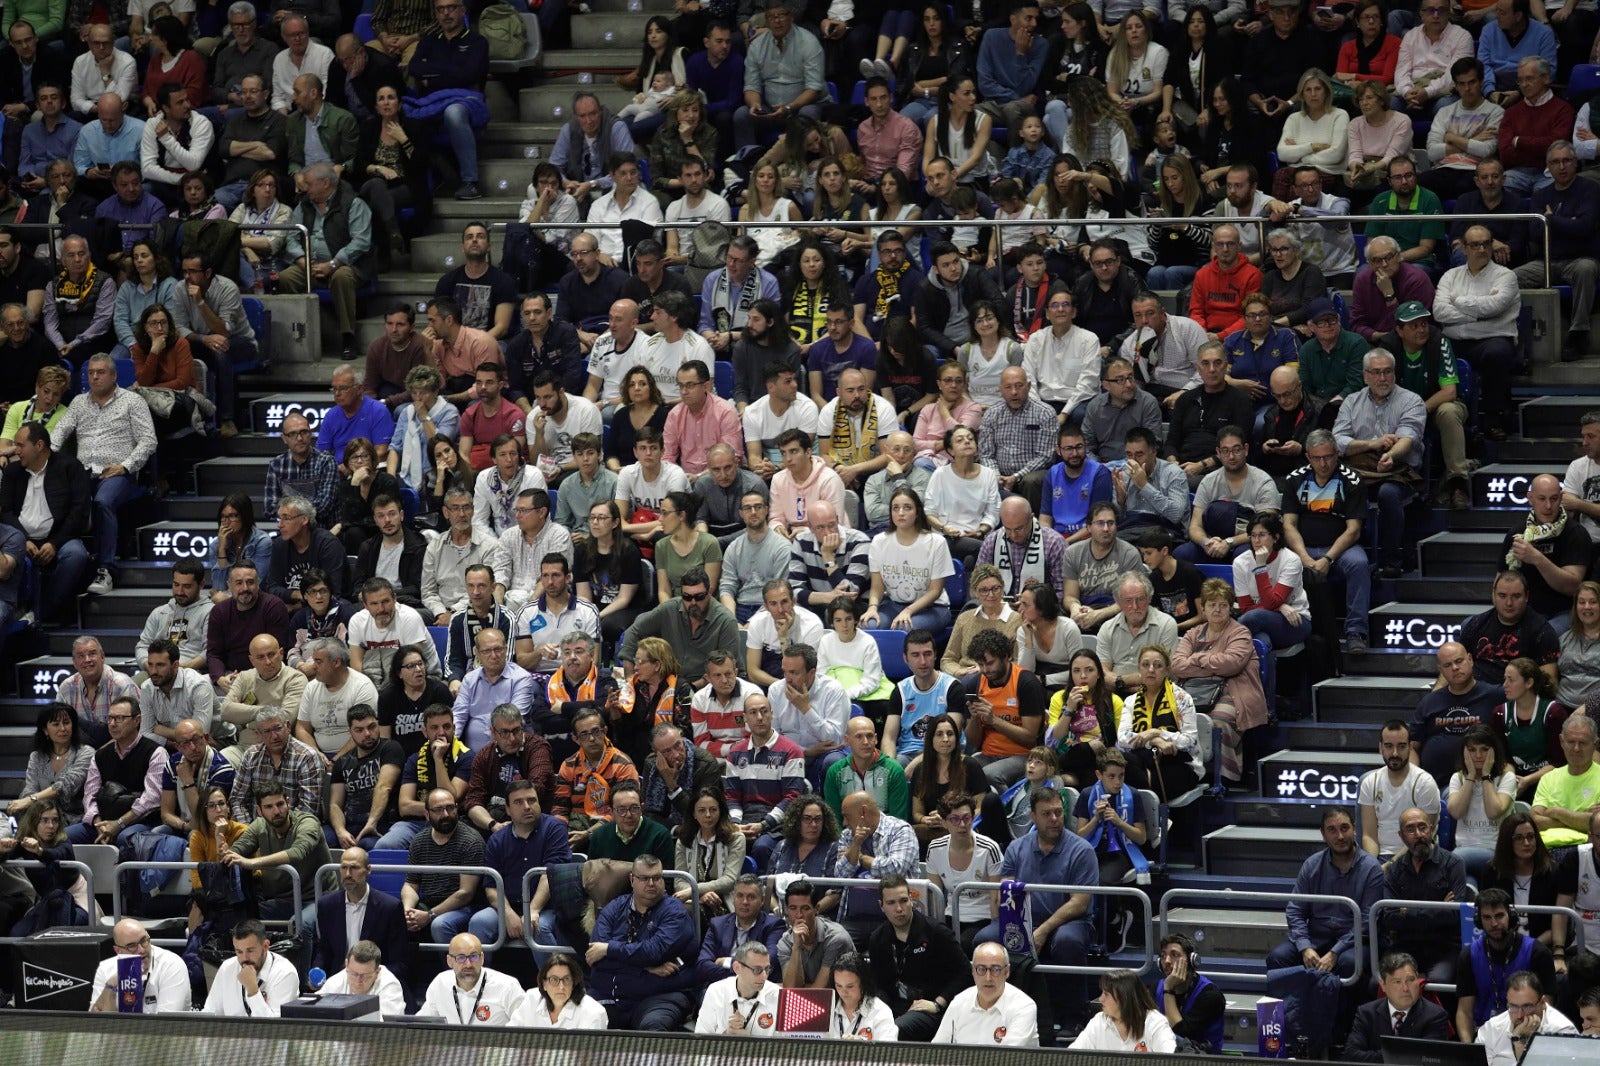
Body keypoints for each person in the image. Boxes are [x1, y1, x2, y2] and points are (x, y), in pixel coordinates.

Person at [1332, 349, 1425, 579]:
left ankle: (1391, 559)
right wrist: (1372, 444)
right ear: (1365, 376)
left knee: (1388, 494)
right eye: (1376, 373)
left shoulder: (1411, 400)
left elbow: (1408, 437)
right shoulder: (1351, 402)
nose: (1382, 378)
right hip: (1359, 469)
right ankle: (1336, 554)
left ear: (1394, 374)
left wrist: (1391, 455)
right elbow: (1338, 441)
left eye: (1387, 372)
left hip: (1398, 470)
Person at [587, 853, 698, 1029]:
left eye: (657, 877)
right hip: (609, 991)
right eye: (644, 878)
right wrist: (645, 967)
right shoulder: (615, 907)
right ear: (632, 880)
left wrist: (609, 949)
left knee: (653, 1028)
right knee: (584, 1022)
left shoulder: (675, 911)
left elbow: (654, 952)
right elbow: (595, 956)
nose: (652, 883)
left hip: (659, 996)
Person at [0, 420, 92, 625]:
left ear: (39, 446)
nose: (16, 450)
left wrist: (55, 543)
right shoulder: (12, 472)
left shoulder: (69, 467)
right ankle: (17, 612)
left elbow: (79, 511)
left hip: (59, 537)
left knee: (76, 554)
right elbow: (5, 512)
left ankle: (43, 611)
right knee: (16, 558)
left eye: (21, 445)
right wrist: (21, 538)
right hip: (20, 538)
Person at [281, 162, 373, 359]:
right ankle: (302, 336)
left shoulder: (353, 203)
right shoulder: (304, 204)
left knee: (341, 277)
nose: (303, 187)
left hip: (346, 265)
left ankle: (348, 337)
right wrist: (301, 260)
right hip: (310, 265)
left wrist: (333, 263)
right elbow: (291, 237)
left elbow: (361, 241)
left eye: (308, 183)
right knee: (286, 277)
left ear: (324, 183)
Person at [1380, 807, 1468, 985]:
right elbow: (1389, 917)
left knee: (1439, 981)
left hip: (1444, 946)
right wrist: (1438, 907)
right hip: (1405, 946)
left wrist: (1407, 912)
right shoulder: (1395, 870)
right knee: (1378, 983)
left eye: (1422, 827)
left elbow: (1454, 915)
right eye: (1410, 830)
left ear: (1432, 828)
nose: (1418, 834)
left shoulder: (1453, 863)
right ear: (1401, 835)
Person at [1457, 889, 1559, 1042]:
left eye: (1499, 916)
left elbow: (1546, 1008)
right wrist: (1469, 1050)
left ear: (1510, 916)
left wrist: (1522, 1038)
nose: (1494, 923)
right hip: (1484, 1035)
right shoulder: (1469, 955)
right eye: (1487, 917)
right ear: (1479, 921)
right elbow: (1465, 1012)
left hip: (1527, 1033)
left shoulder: (1538, 953)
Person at [734, 0, 827, 149]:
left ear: (791, 17)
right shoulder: (757, 46)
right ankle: (748, 163)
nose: (777, 21)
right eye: (772, 17)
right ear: (766, 20)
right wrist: (755, 104)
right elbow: (751, 86)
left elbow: (814, 89)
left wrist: (789, 108)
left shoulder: (809, 42)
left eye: (782, 15)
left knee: (807, 113)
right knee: (742, 114)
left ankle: (805, 166)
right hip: (772, 111)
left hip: (801, 108)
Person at [313, 848, 408, 983]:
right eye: (344, 867)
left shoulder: (390, 907)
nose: (347, 874)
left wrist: (372, 979)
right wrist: (317, 971)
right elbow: (324, 950)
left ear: (368, 870)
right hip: (339, 980)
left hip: (376, 981)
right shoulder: (327, 905)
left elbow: (399, 962)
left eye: (354, 868)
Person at [1460, 570, 1560, 689]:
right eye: (1502, 596)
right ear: (1494, 595)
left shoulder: (1542, 631)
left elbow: (1549, 684)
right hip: (1476, 697)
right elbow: (1455, 665)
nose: (1509, 603)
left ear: (1526, 596)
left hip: (1516, 700)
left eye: (1516, 596)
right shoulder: (1475, 624)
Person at [1342, 951, 1452, 1060]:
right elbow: (1351, 1055)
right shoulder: (1366, 1013)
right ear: (1383, 985)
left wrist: (1381, 1056)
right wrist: (1401, 1055)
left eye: (1410, 980)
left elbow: (1429, 1059)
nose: (1405, 988)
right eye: (1397, 982)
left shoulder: (1436, 1015)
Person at [931, 940, 1039, 1046]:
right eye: (981, 969)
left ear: (1007, 972)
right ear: (973, 971)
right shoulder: (959, 1002)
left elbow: (1007, 1059)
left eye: (995, 969)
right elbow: (937, 1051)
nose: (988, 978)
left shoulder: (1023, 1007)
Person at [1504, 652, 1572, 800]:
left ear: (1529, 683)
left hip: (1549, 779)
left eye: (1510, 680)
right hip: (1514, 778)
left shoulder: (1554, 713)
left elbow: (1560, 762)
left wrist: (1528, 780)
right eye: (1505, 679)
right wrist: (1511, 780)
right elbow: (1502, 759)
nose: (1505, 685)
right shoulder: (1500, 713)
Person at [88, 916, 191, 1013]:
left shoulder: (171, 965)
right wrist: (111, 986)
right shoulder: (106, 968)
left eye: (144, 941)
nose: (141, 950)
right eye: (132, 946)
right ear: (118, 950)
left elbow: (167, 1024)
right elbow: (98, 1023)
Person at [200, 919, 300, 1017]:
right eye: (239, 952)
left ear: (265, 946)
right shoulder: (227, 968)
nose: (245, 958)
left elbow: (273, 1029)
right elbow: (209, 1014)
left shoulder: (285, 973)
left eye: (250, 951)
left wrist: (253, 991)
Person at [1476, 972, 1578, 1066]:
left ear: (1542, 1003)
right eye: (1513, 1006)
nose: (1520, 1015)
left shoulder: (1563, 1031)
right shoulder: (1492, 1028)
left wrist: (1521, 1040)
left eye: (1527, 1006)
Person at [419, 932, 523, 1024]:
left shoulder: (507, 986)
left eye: (474, 957)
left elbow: (525, 1023)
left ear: (482, 958)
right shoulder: (440, 983)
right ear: (449, 961)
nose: (468, 964)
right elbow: (422, 1023)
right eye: (461, 958)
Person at [1530, 714, 1600, 848]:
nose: (1576, 749)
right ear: (1562, 741)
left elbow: (1598, 825)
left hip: (1584, 848)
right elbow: (1535, 821)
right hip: (1546, 851)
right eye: (1571, 742)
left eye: (1583, 743)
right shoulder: (1548, 778)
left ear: (1595, 744)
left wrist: (1558, 813)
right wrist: (1581, 819)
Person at [1070, 968, 1177, 1052]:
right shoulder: (1098, 1021)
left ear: (1123, 998)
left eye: (1106, 994)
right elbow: (1072, 1057)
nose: (1101, 999)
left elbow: (1172, 1060)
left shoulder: (1155, 1022)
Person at [696, 939, 781, 1035]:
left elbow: (788, 1047)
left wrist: (750, 1040)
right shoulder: (716, 991)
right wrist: (726, 1035)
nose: (764, 976)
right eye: (757, 970)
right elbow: (700, 1040)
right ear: (737, 968)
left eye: (767, 969)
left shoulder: (779, 996)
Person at [511, 953, 610, 1029]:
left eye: (566, 979)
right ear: (544, 984)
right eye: (554, 980)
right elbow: (508, 1039)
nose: (561, 987)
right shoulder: (531, 999)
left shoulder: (594, 1012)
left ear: (574, 982)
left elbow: (590, 1055)